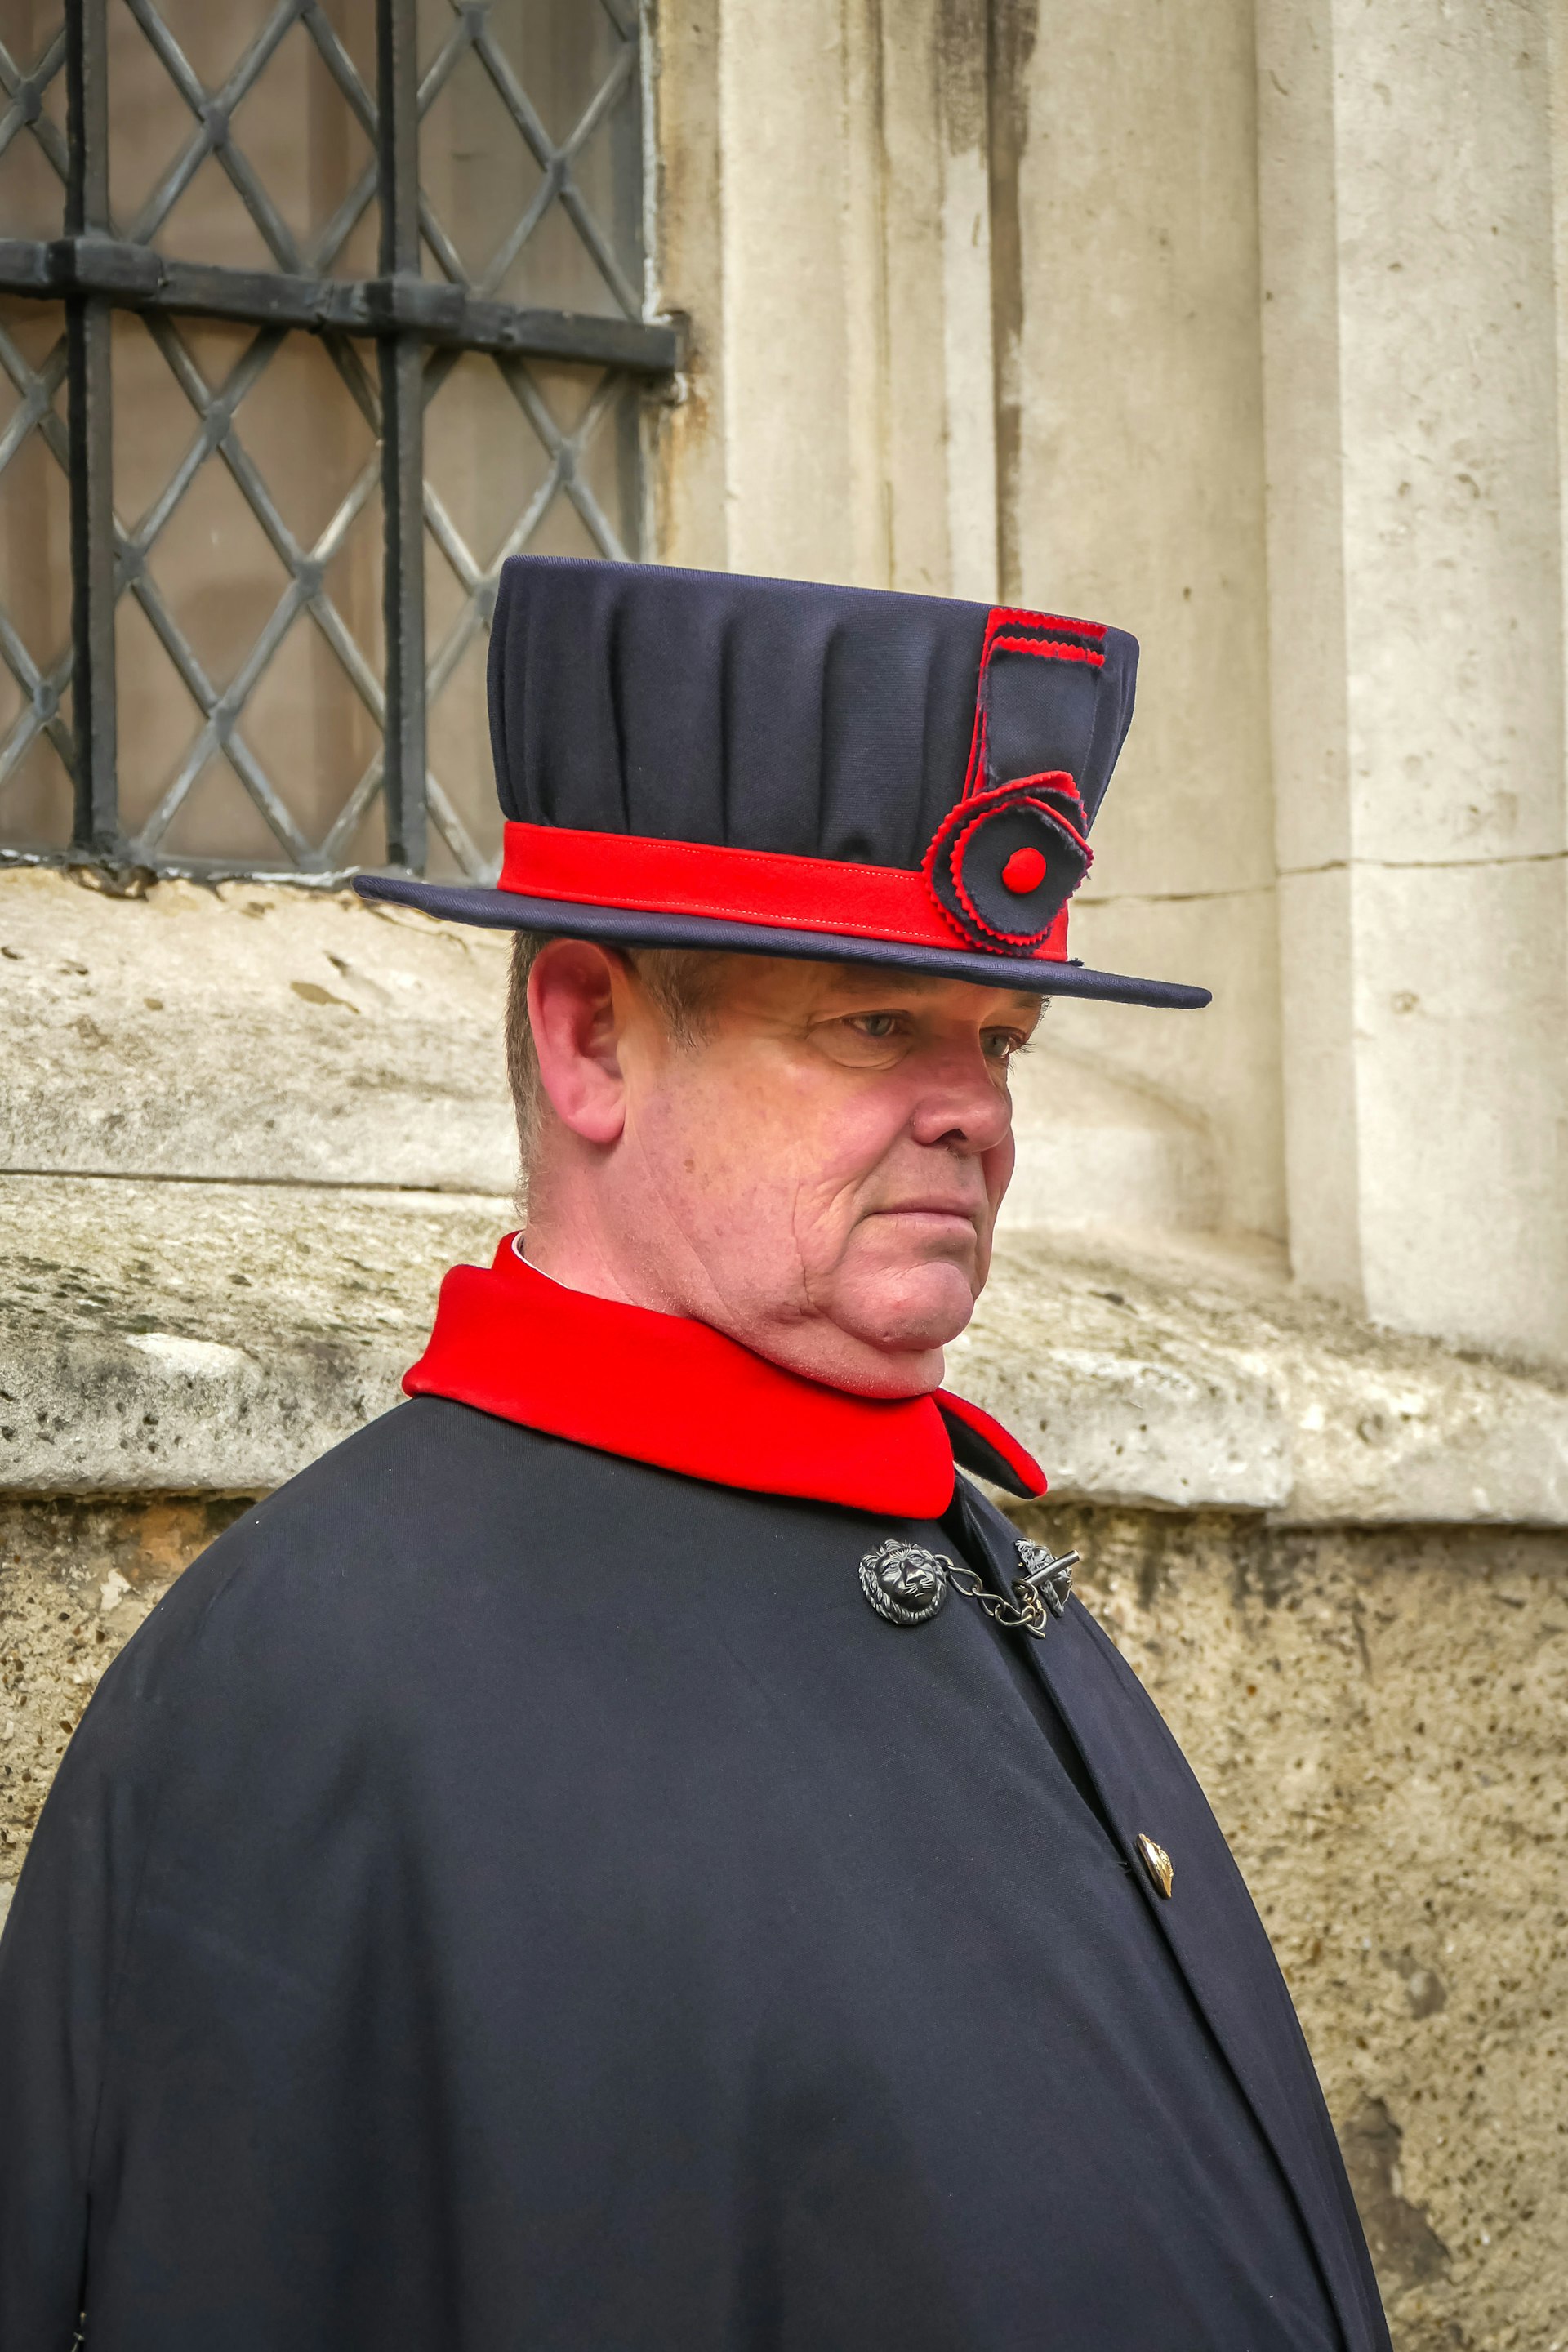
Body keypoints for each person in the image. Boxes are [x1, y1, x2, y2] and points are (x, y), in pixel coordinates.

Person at [0, 559, 1389, 2350]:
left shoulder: (957, 1545)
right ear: (591, 1038)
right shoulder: (326, 1688)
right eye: (876, 1025)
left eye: (1004, 1043)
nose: (973, 1112)